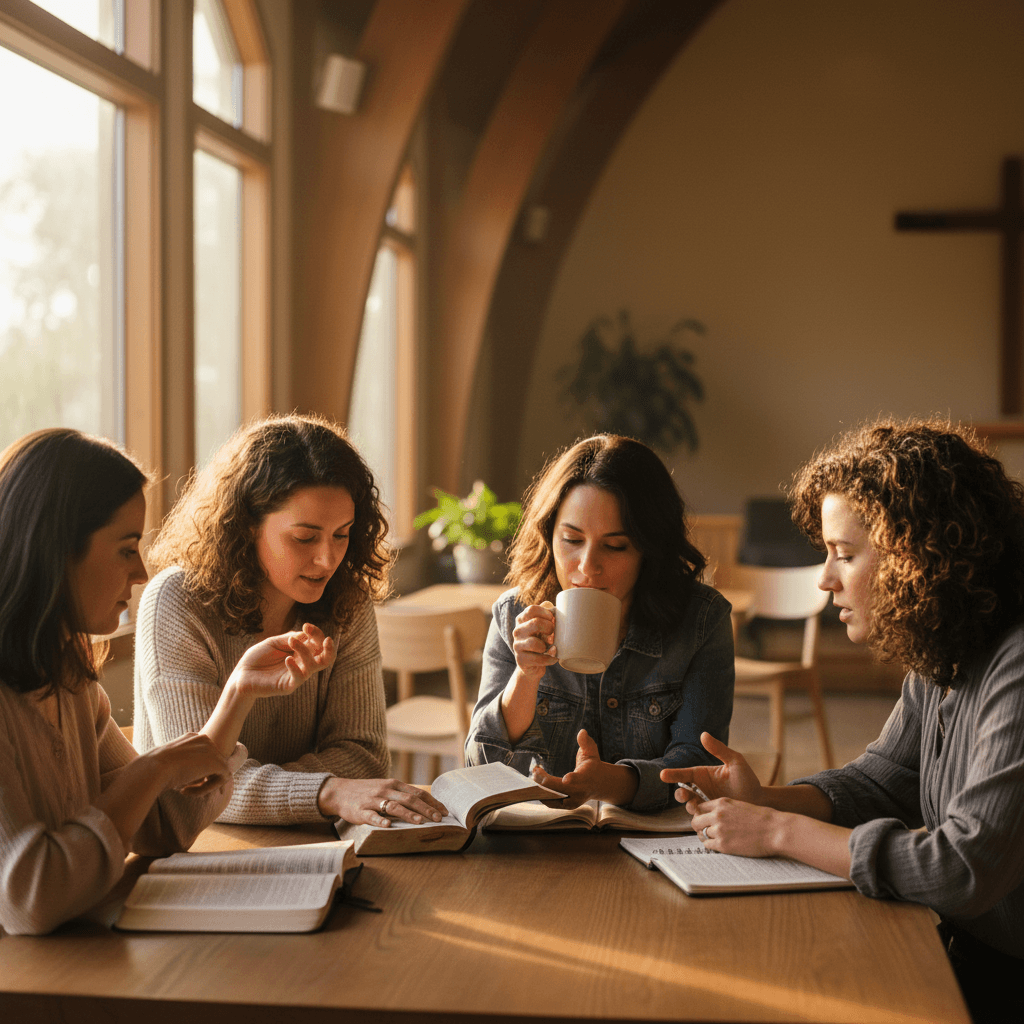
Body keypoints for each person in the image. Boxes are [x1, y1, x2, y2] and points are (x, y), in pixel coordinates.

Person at [664, 419, 1024, 1021]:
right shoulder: (947, 650)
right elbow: (881, 781)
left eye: (844, 554)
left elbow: (961, 869)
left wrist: (779, 833)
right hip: (968, 951)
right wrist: (769, 800)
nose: (826, 580)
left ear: (919, 555)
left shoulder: (1015, 664)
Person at [0, 428, 335, 935]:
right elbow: (31, 899)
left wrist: (238, 694)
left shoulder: (69, 683)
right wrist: (155, 764)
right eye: (126, 548)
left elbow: (162, 826)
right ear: (57, 549)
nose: (141, 571)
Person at [134, 413, 445, 829]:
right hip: (200, 844)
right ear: (245, 525)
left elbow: (365, 754)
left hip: (309, 839)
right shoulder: (176, 603)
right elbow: (194, 787)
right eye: (304, 537)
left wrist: (258, 786)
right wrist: (326, 790)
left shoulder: (346, 601)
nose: (328, 559)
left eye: (342, 533)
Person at [465, 434, 734, 811]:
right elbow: (480, 765)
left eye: (615, 546)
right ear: (549, 535)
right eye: (572, 539)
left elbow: (701, 764)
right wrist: (525, 677)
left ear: (650, 547)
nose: (587, 567)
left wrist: (617, 783)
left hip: (654, 845)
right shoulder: (515, 616)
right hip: (541, 843)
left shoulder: (701, 622)